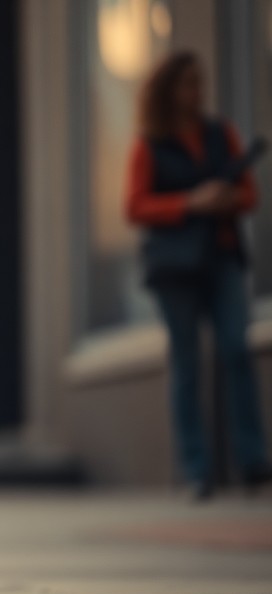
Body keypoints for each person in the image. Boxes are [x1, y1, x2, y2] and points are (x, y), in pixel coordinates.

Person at [125, 51, 271, 501]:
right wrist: (189, 203)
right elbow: (134, 206)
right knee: (187, 364)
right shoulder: (148, 145)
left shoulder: (219, 134)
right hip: (175, 268)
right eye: (188, 83)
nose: (196, 92)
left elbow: (249, 195)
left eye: (199, 82)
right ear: (169, 90)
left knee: (235, 350)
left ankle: (252, 462)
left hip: (221, 256)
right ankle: (197, 469)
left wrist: (226, 200)